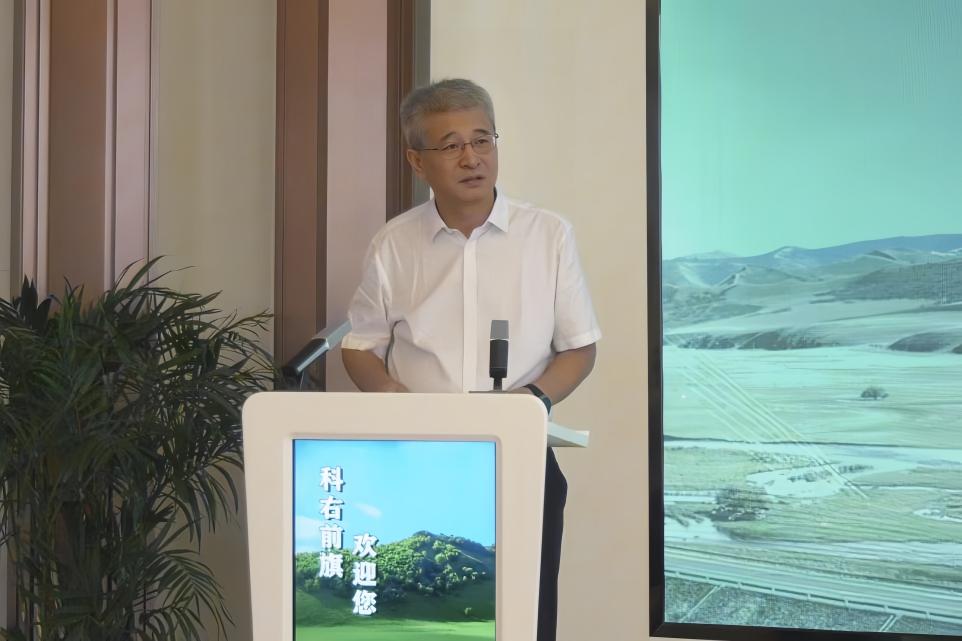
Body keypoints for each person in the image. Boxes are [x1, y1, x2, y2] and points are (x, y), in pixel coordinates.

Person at [341, 78, 600, 641]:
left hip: (520, 456)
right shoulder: (394, 244)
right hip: (417, 459)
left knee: (525, 617)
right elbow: (360, 346)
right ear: (417, 161)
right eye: (451, 145)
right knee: (422, 614)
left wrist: (529, 402)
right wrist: (391, 398)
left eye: (483, 140)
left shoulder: (547, 235)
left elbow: (580, 346)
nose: (471, 158)